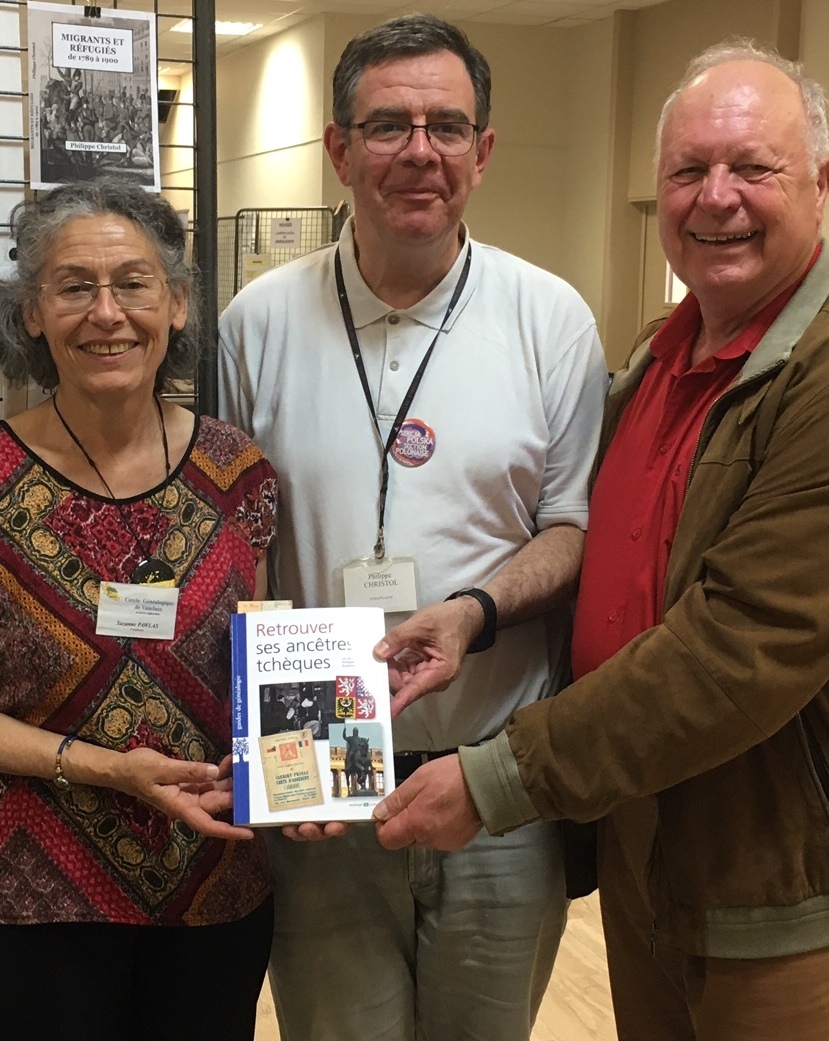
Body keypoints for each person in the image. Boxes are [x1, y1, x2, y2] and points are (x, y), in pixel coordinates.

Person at [374, 40, 829, 1041]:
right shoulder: (658, 353)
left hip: (780, 879)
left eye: (751, 168)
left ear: (821, 183)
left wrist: (500, 775)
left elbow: (739, 652)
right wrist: (478, 611)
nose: (714, 197)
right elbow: (601, 552)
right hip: (651, 842)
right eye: (687, 171)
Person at [218, 14, 608, 1040]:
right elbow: (241, 545)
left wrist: (475, 611)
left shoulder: (550, 317)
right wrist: (280, 752)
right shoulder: (255, 322)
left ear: (483, 153)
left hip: (492, 773)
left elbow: (572, 528)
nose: (419, 151)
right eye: (388, 125)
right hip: (322, 774)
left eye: (447, 125)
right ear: (339, 149)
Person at [0, 177, 276, 1041]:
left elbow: (269, 655)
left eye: (134, 284)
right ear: (31, 314)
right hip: (32, 904)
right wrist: (107, 767)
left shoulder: (237, 471)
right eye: (74, 287)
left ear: (176, 305)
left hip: (214, 886)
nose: (107, 313)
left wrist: (305, 774)